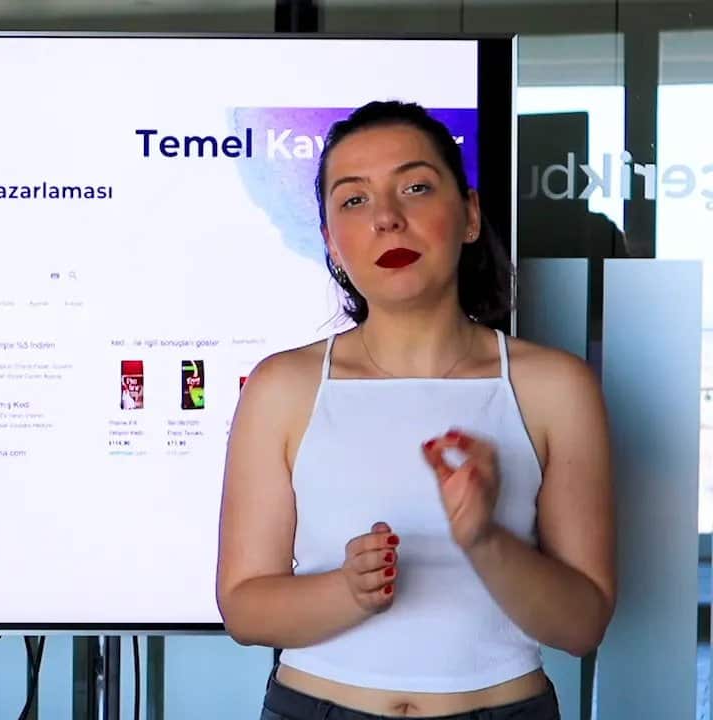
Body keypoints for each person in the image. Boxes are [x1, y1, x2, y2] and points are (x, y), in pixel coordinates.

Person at [216, 101, 615, 720]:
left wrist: (485, 539)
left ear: (470, 215)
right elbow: (244, 608)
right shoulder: (281, 387)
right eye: (354, 200)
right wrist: (348, 590)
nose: (387, 218)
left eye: (416, 187)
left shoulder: (556, 387)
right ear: (330, 241)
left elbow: (582, 626)